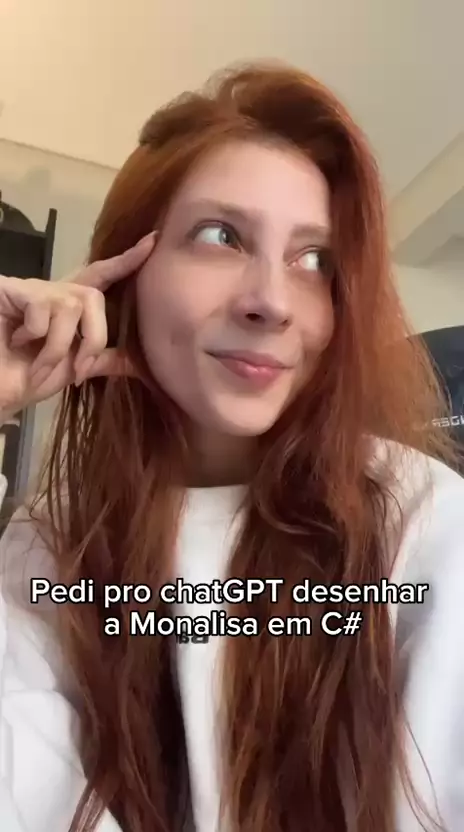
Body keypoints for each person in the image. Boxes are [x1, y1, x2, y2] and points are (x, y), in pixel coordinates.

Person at [0, 62, 463, 832]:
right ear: (126, 275)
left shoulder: (425, 525)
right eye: (222, 236)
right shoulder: (50, 542)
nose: (272, 303)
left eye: (314, 260)